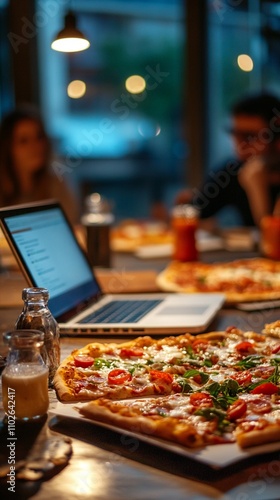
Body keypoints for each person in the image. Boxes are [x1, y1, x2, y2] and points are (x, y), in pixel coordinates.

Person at [176, 93, 280, 228]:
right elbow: (192, 212)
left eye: (250, 136)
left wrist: (257, 188)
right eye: (236, 134)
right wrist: (183, 207)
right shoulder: (231, 172)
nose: (240, 145)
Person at [0, 106, 79, 224]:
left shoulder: (56, 183)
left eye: (39, 137)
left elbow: (72, 225)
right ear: (8, 148)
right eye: (24, 141)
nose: (35, 146)